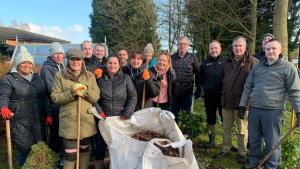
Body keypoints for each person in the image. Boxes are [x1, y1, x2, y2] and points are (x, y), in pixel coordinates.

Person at [239, 39, 300, 169]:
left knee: (272, 140)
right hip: (255, 108)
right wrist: (242, 105)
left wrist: (299, 111)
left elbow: (294, 92)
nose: (270, 51)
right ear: (264, 50)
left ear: (280, 50)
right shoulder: (257, 66)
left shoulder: (288, 68)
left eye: (273, 48)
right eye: (268, 49)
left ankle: (271, 165)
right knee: (254, 138)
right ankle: (255, 161)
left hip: (273, 111)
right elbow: (248, 86)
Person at [0, 46, 51, 168]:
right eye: (24, 62)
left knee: (39, 147)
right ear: (18, 64)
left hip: (38, 119)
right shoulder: (9, 79)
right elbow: (3, 96)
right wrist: (3, 107)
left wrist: (48, 114)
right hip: (20, 121)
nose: (27, 65)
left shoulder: (36, 78)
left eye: (29, 63)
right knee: (25, 148)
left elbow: (44, 97)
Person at [51, 48, 100, 169]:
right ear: (68, 60)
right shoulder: (59, 76)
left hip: (86, 120)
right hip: (69, 121)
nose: (75, 62)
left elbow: (96, 97)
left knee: (85, 149)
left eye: (78, 59)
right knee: (70, 152)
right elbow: (55, 97)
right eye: (72, 59)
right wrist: (71, 93)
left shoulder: (90, 76)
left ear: (82, 61)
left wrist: (86, 92)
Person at [215, 36, 258, 163]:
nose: (238, 48)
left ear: (245, 47)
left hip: (243, 103)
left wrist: (247, 102)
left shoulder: (253, 62)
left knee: (242, 130)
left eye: (240, 46)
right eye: (235, 46)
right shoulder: (226, 62)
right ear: (232, 48)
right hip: (227, 101)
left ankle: (242, 153)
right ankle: (225, 149)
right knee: (226, 127)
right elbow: (224, 79)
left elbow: (255, 84)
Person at [93, 54, 138, 169]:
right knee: (101, 145)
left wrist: (127, 113)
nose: (112, 65)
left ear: (119, 65)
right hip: (104, 119)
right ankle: (98, 166)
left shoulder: (125, 79)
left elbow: (133, 96)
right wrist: (99, 111)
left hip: (120, 119)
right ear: (106, 64)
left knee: (120, 146)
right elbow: (93, 97)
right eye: (110, 63)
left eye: (115, 63)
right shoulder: (99, 79)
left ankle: (119, 165)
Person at [196, 40, 227, 149]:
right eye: (211, 48)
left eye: (215, 48)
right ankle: (212, 141)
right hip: (209, 96)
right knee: (210, 119)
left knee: (225, 119)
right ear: (209, 50)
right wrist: (198, 90)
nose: (214, 50)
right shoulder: (204, 63)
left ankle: (227, 143)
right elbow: (199, 79)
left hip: (223, 96)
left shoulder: (226, 61)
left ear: (220, 49)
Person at [40, 42, 65, 165]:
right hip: (54, 106)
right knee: (55, 134)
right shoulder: (47, 68)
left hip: (63, 104)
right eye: (56, 53)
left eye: (61, 53)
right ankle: (53, 159)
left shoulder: (63, 66)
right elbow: (50, 89)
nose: (59, 56)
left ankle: (59, 156)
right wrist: (68, 92)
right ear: (51, 55)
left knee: (62, 133)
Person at [171, 36, 200, 123]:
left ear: (187, 45)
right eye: (180, 44)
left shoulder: (193, 58)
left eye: (184, 44)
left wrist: (198, 88)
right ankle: (174, 134)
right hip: (174, 93)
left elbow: (198, 73)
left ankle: (185, 134)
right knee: (174, 116)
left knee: (186, 116)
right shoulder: (172, 58)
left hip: (187, 93)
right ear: (177, 45)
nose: (182, 46)